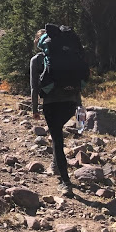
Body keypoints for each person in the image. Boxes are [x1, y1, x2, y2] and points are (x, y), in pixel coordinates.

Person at [30, 28, 83, 198]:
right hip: (71, 102)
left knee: (57, 140)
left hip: (51, 104)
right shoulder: (68, 55)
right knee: (58, 134)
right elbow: (77, 81)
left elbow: (34, 87)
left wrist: (34, 109)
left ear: (40, 43)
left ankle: (65, 182)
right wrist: (79, 106)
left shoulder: (37, 60)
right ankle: (55, 164)